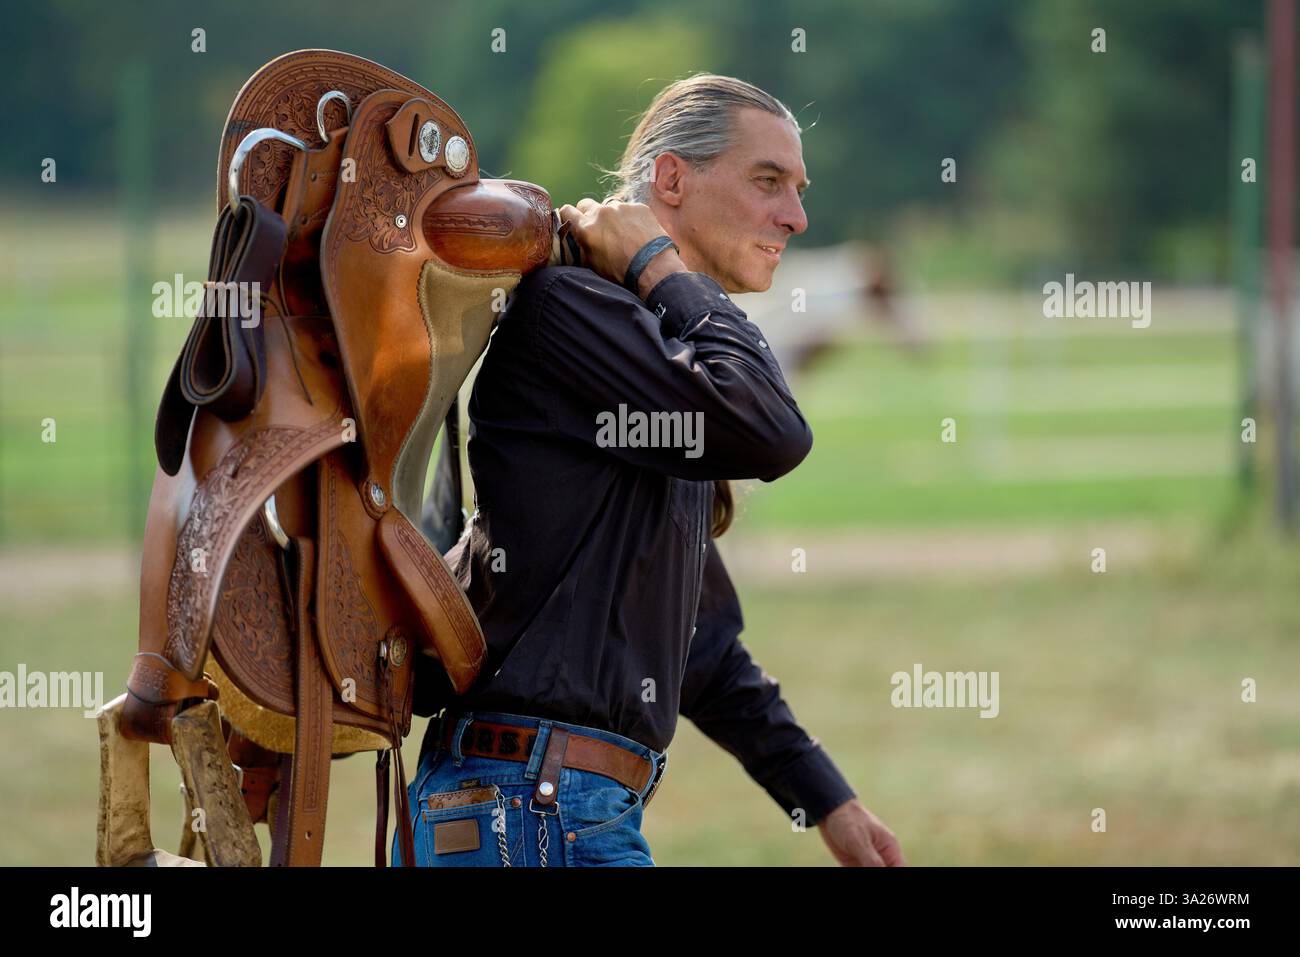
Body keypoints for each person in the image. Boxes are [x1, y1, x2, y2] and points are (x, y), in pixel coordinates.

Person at [398, 73, 904, 867]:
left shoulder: (648, 351)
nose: (797, 217)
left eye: (799, 191)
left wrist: (827, 800)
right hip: (532, 810)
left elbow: (697, 642)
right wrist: (666, 270)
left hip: (539, 808)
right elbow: (773, 430)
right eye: (768, 181)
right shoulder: (577, 310)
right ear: (671, 179)